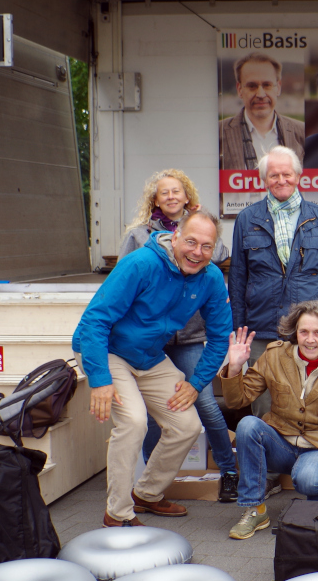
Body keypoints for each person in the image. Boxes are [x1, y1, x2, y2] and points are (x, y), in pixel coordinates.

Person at [73, 211, 231, 527]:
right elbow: (94, 321)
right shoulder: (140, 264)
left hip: (148, 357)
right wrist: (101, 378)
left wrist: (197, 382)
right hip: (108, 351)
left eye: (206, 246)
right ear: (174, 237)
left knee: (186, 425)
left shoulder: (210, 277)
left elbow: (219, 337)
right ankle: (117, 513)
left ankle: (146, 494)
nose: (197, 252)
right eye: (191, 242)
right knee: (133, 421)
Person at [119, 170, 237, 502]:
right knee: (155, 410)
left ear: (187, 196)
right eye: (164, 193)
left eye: (177, 191)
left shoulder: (200, 228)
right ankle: (152, 479)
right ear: (155, 200)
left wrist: (199, 221)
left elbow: (219, 255)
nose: (171, 197)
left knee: (203, 401)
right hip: (150, 343)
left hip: (189, 336)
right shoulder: (140, 236)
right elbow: (124, 282)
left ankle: (228, 470)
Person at [219, 303, 318, 540]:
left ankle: (315, 507)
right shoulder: (274, 355)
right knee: (248, 425)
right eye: (303, 332)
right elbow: (239, 401)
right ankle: (255, 509)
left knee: (308, 477)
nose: (310, 339)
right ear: (294, 332)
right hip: (282, 445)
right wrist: (235, 367)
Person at [229, 145, 318, 416]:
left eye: (287, 174)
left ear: (298, 176)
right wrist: (238, 329)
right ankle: (265, 456)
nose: (281, 180)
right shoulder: (247, 219)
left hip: (309, 329)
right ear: (264, 180)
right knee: (264, 403)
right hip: (261, 328)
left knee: (310, 400)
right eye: (274, 175)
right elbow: (237, 278)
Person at [219, 52, 305, 170]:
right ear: (239, 89)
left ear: (278, 88)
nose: (260, 94)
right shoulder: (219, 132)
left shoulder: (302, 133)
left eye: (267, 85)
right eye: (252, 86)